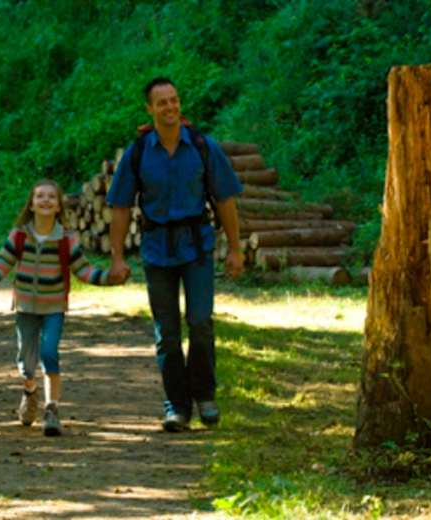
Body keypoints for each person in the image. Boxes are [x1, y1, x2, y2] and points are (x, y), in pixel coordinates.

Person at [106, 77, 244, 432]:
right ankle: (176, 406)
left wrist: (235, 249)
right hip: (156, 251)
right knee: (166, 332)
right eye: (162, 102)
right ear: (149, 109)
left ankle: (205, 396)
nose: (170, 107)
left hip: (197, 247)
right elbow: (120, 206)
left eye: (174, 100)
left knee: (200, 322)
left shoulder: (202, 146)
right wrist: (117, 258)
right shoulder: (138, 152)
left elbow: (225, 199)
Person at [0, 179, 127, 436]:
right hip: (25, 307)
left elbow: (83, 270)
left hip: (54, 307)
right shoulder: (19, 236)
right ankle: (30, 391)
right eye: (40, 196)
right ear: (32, 205)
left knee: (49, 353)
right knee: (26, 363)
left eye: (51, 197)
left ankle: (51, 409)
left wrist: (109, 279)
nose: (45, 200)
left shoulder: (66, 239)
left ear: (58, 206)